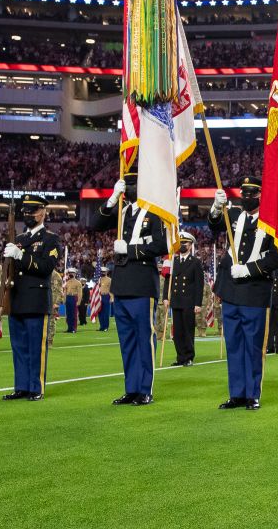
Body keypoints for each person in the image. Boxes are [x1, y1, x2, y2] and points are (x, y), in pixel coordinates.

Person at [91, 172, 168, 406]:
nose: (131, 187)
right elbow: (96, 224)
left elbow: (162, 244)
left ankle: (145, 389)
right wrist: (112, 198)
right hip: (122, 283)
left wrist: (132, 249)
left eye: (135, 183)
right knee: (127, 341)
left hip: (143, 282)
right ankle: (131, 388)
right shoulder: (123, 211)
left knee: (144, 339)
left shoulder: (155, 213)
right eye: (128, 183)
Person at [209, 176, 278, 409]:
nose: (248, 198)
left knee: (253, 345)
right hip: (231, 289)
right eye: (245, 194)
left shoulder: (271, 222)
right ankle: (237, 393)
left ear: (262, 196)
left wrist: (250, 269)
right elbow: (214, 225)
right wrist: (214, 208)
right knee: (233, 343)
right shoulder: (234, 215)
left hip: (254, 289)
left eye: (253, 195)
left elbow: (277, 257)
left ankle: (252, 393)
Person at [1, 194, 61, 401]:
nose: (28, 214)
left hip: (36, 300)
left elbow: (46, 267)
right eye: (26, 211)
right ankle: (21, 386)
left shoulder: (50, 239)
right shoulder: (19, 239)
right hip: (16, 299)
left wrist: (21, 256)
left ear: (43, 212)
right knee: (19, 347)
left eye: (33, 211)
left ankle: (36, 387)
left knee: (36, 347)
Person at [165, 232, 205, 367]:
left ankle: (188, 357)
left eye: (185, 243)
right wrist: (165, 297)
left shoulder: (195, 262)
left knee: (188, 331)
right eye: (180, 243)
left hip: (188, 301)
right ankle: (180, 357)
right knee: (177, 332)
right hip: (176, 301)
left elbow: (200, 285)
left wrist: (198, 303)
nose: (182, 245)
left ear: (190, 245)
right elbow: (167, 281)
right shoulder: (173, 261)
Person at [63, 267, 83, 333]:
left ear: (75, 274)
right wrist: (64, 299)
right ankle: (69, 328)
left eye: (72, 273)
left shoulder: (78, 283)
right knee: (68, 314)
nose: (70, 274)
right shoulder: (67, 282)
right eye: (69, 273)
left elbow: (80, 293)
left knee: (74, 314)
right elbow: (65, 292)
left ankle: (74, 328)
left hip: (74, 298)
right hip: (68, 298)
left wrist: (79, 301)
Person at [47, 269, 63, 348]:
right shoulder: (45, 273)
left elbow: (59, 290)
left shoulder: (55, 275)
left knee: (51, 322)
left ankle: (50, 341)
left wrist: (56, 303)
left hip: (52, 302)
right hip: (44, 301)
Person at [96, 266, 112, 332]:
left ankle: (106, 327)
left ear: (107, 272)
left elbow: (111, 290)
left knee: (106, 312)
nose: (102, 272)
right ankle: (101, 326)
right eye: (102, 271)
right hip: (99, 296)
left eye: (104, 272)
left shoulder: (109, 280)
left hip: (106, 296)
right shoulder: (99, 279)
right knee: (100, 312)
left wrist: (112, 298)